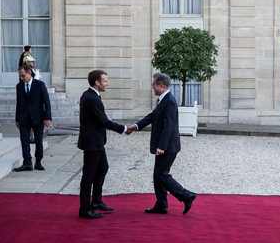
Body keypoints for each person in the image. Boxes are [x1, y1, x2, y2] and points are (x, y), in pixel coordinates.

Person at [130, 72, 198, 214]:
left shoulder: (169, 101)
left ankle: (186, 196)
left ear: (160, 86)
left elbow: (169, 126)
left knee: (161, 175)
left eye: (153, 85)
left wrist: (162, 146)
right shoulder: (162, 100)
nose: (152, 87)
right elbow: (152, 116)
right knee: (157, 175)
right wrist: (136, 126)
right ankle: (161, 204)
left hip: (167, 146)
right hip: (165, 145)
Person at [77, 70, 130, 219]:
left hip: (96, 141)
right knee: (88, 176)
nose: (108, 83)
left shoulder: (90, 95)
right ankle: (85, 209)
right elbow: (104, 121)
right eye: (105, 81)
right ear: (97, 82)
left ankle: (97, 201)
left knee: (103, 168)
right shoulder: (92, 98)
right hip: (92, 143)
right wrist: (124, 128)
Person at [13, 64, 52, 172]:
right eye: (20, 76)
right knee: (24, 139)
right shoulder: (19, 86)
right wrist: (17, 119)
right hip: (24, 117)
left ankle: (38, 162)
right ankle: (27, 163)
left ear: (29, 73)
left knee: (38, 140)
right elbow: (18, 103)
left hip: (38, 117)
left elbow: (46, 102)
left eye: (23, 76)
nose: (21, 78)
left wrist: (47, 118)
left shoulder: (39, 85)